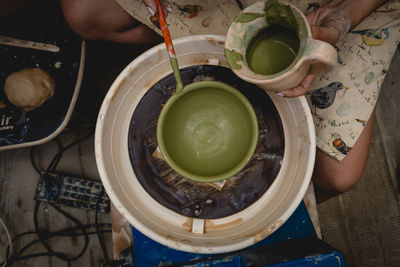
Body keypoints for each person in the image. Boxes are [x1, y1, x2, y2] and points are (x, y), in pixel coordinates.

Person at [60, 0, 398, 202]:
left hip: (336, 12)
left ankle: (275, 208)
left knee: (339, 176)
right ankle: (186, 39)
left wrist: (344, 16)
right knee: (84, 13)